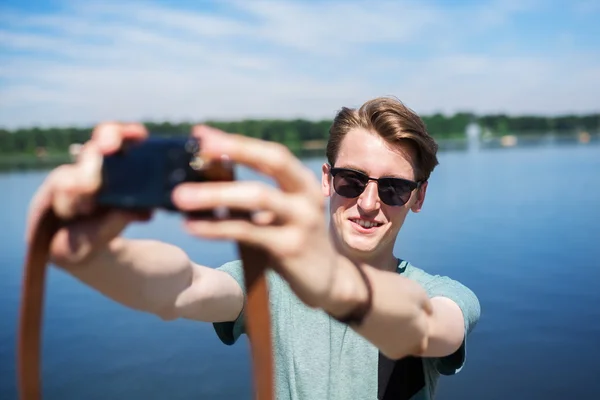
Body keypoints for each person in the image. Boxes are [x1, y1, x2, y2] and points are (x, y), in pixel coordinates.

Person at [27, 96, 480, 399]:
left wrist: (339, 285)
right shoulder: (269, 282)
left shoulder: (443, 294)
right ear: (327, 180)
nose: (366, 203)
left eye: (394, 189)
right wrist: (95, 257)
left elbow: (424, 327)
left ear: (418, 197)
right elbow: (180, 287)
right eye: (351, 181)